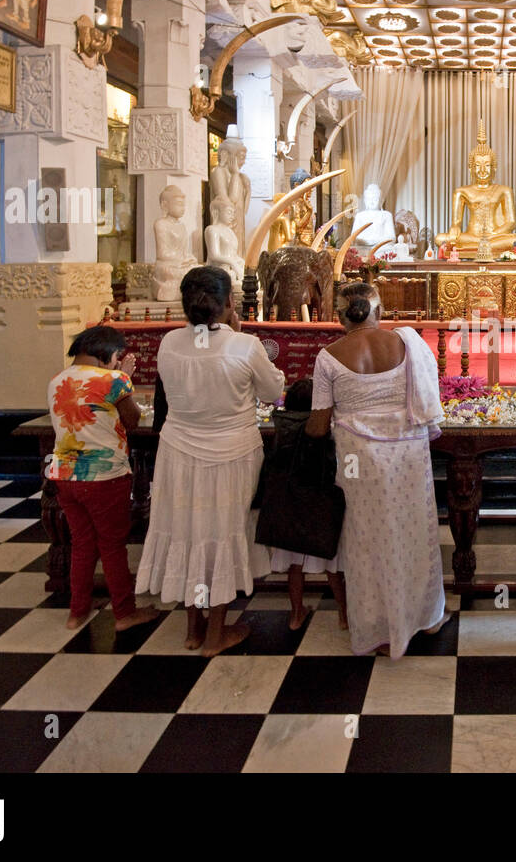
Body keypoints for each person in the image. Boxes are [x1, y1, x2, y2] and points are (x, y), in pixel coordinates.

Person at [136, 266, 285, 657]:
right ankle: (216, 634)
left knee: (187, 530)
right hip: (231, 455)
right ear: (229, 304)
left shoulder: (169, 343)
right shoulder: (244, 346)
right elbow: (272, 392)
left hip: (177, 453)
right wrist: (234, 332)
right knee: (220, 533)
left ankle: (193, 629)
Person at [305, 282, 449, 658]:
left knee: (366, 539)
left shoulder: (328, 357)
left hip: (357, 459)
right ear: (378, 312)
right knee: (414, 530)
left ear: (339, 316)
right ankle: (424, 617)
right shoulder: (407, 345)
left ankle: (378, 631)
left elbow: (318, 427)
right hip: (408, 452)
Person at [47, 325, 158, 633]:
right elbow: (133, 420)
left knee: (82, 544)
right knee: (111, 545)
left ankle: (77, 611)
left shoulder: (58, 379)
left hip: (65, 474)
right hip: (104, 476)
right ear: (107, 354)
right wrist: (123, 377)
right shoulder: (114, 380)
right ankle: (124, 613)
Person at [262, 377, 348, 631]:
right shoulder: (324, 430)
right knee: (333, 568)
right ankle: (344, 615)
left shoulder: (281, 429)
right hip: (320, 509)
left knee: (294, 566)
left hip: (290, 508)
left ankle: (296, 614)